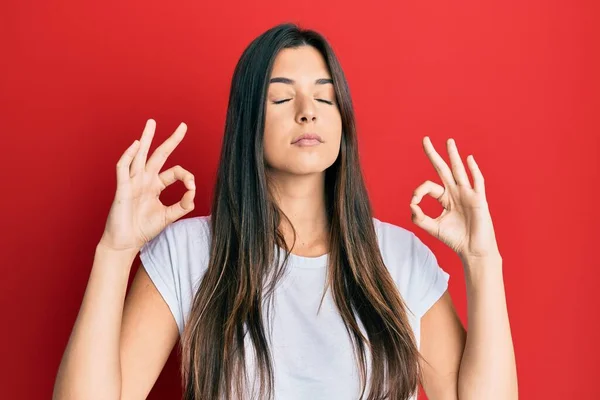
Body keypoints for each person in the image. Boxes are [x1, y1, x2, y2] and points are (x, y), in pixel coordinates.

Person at [53, 23, 517, 400]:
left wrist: (482, 262)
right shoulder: (189, 252)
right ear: (248, 121)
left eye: (324, 96)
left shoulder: (400, 258)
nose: (307, 112)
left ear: (343, 120)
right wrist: (115, 251)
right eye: (281, 98)